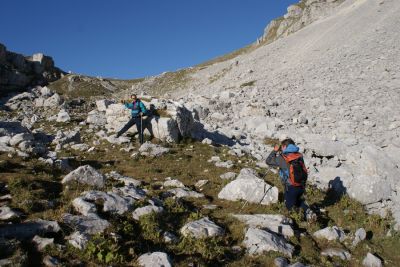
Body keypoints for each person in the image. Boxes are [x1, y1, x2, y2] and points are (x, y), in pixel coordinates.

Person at [266, 138, 316, 221]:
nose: (281, 148)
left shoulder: (282, 158)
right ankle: (308, 212)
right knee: (298, 201)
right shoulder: (299, 155)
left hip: (291, 187)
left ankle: (295, 223)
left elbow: (268, 161)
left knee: (289, 207)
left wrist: (274, 151)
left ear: (285, 146)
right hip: (301, 184)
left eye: (282, 147)